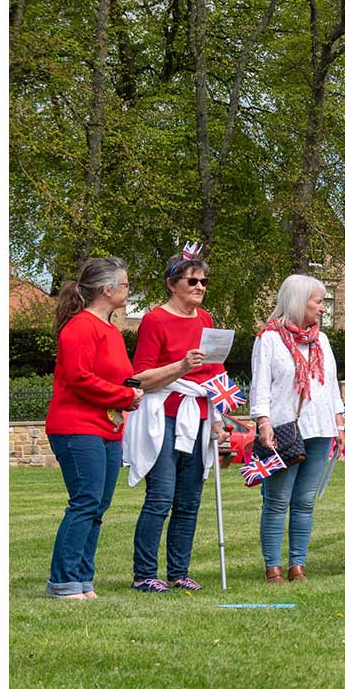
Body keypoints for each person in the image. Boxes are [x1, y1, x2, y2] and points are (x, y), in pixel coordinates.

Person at [123, 245, 224, 593]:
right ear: (172, 283)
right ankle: (145, 573)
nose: (199, 286)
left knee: (190, 498)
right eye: (192, 280)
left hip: (197, 413)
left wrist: (218, 416)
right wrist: (181, 366)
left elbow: (215, 371)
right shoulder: (155, 320)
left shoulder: (206, 319)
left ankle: (179, 571)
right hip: (163, 413)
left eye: (204, 281)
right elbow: (140, 377)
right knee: (162, 496)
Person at [44, 257, 143, 599]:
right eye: (126, 285)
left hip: (107, 427)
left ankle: (83, 580)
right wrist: (124, 394)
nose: (129, 291)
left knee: (98, 505)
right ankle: (63, 581)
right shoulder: (80, 326)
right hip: (76, 426)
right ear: (107, 289)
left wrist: (131, 392)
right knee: (85, 501)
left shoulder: (112, 330)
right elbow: (79, 378)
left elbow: (116, 376)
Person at [251, 274, 345, 583]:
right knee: (277, 499)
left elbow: (330, 383)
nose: (322, 308)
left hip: (319, 427)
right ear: (297, 301)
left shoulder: (321, 340)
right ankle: (273, 566)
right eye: (318, 301)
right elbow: (261, 385)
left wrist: (339, 419)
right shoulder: (269, 338)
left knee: (305, 500)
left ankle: (298, 565)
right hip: (283, 427)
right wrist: (262, 421)